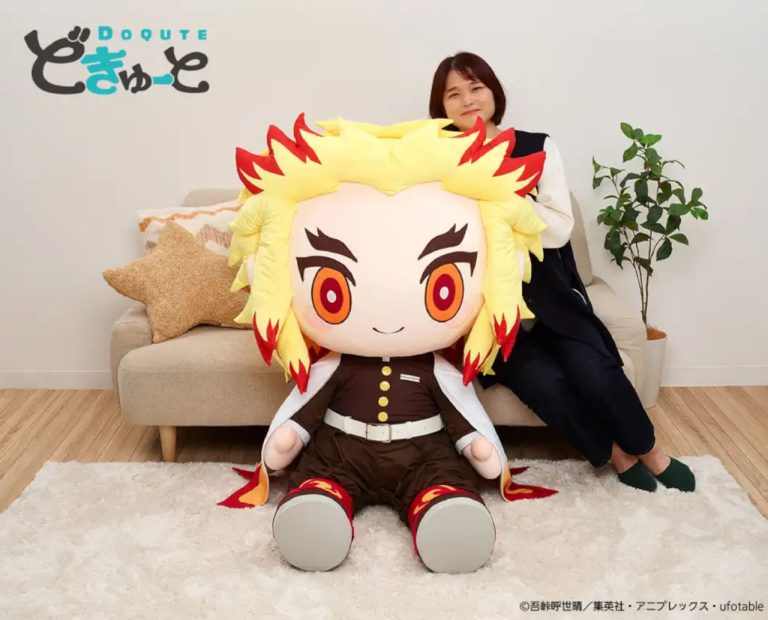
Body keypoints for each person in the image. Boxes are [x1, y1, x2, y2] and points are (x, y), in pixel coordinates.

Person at [428, 52, 695, 492]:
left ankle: (651, 451)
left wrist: (507, 196)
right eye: (453, 94)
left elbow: (558, 230)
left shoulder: (537, 147)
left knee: (594, 370)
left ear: (493, 92)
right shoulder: (437, 159)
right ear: (441, 106)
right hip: (492, 314)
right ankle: (615, 454)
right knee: (544, 385)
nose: (467, 100)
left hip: (553, 297)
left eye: (475, 87)